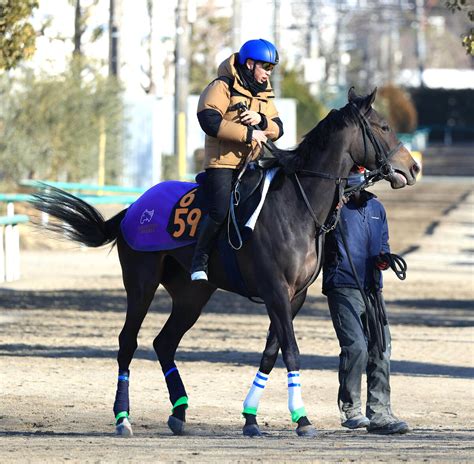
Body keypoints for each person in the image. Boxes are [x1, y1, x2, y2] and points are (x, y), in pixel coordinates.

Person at [322, 167, 410, 435]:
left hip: (372, 289)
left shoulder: (377, 209)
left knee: (381, 348)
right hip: (343, 286)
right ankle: (351, 410)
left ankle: (380, 413)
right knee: (357, 347)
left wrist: (384, 260)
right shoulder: (332, 208)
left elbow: (382, 245)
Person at [190, 38, 284, 281]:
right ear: (250, 63)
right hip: (221, 164)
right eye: (266, 67)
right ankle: (199, 259)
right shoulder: (222, 86)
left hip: (251, 164)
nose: (268, 74)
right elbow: (209, 121)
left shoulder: (264, 94)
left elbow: (278, 127)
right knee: (220, 211)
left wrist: (261, 120)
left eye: (271, 68)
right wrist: (248, 133)